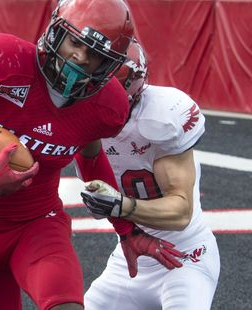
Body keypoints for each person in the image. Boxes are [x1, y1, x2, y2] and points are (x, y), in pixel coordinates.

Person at [0, 0, 181, 308]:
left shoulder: (106, 105)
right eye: (75, 42)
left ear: (108, 65)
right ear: (56, 33)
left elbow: (90, 158)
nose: (79, 56)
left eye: (95, 55)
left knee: (66, 305)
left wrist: (127, 231)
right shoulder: (5, 61)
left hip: (37, 224)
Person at [79, 41, 220, 309]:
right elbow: (98, 207)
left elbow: (181, 212)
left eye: (98, 87)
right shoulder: (83, 115)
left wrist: (122, 205)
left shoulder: (162, 115)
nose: (88, 95)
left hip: (184, 257)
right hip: (129, 258)